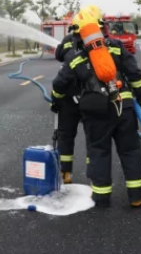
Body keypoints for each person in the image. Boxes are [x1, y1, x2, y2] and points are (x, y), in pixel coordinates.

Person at [51, 7, 141, 208]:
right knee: (130, 150)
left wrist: (56, 99)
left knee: (99, 151)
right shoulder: (116, 46)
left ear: (77, 32)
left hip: (95, 110)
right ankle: (136, 196)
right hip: (124, 106)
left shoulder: (76, 57)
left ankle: (102, 196)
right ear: (102, 27)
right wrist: (139, 98)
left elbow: (59, 84)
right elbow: (135, 75)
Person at [52, 16, 86, 184]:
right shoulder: (97, 41)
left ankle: (66, 174)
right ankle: (96, 178)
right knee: (95, 138)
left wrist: (55, 101)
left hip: (68, 97)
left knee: (65, 136)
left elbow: (58, 56)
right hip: (91, 96)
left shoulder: (67, 40)